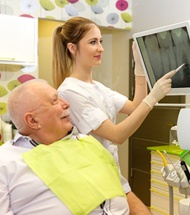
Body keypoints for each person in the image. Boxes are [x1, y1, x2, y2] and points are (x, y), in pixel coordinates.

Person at [52, 17, 176, 215]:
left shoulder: (98, 88)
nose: (100, 48)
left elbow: (135, 107)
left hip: (112, 174)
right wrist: (153, 98)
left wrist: (140, 70)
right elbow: (117, 135)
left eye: (100, 41)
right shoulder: (70, 92)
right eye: (93, 42)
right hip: (92, 179)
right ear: (73, 48)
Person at [0, 79, 129, 215]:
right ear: (33, 121)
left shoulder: (87, 143)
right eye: (55, 101)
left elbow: (123, 190)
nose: (66, 104)